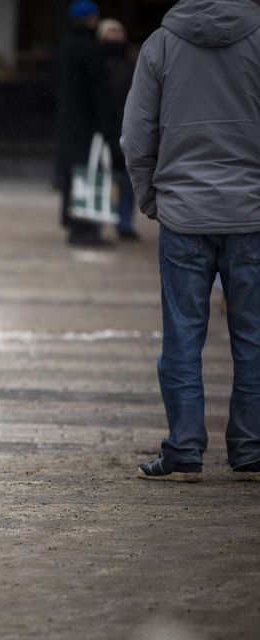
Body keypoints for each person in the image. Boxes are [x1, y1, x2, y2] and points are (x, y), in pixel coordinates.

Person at [122, 0, 260, 481]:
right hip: (251, 216)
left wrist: (151, 199)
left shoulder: (161, 45)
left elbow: (136, 136)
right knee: (254, 337)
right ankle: (249, 445)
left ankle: (183, 447)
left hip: (183, 215)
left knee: (182, 337)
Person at [54, 0, 120, 247]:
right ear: (92, 19)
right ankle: (83, 229)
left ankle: (73, 223)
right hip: (89, 125)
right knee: (90, 174)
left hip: (69, 121)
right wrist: (108, 128)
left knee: (75, 174)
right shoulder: (90, 50)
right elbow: (99, 93)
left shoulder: (66, 46)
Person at [97, 18, 139, 242]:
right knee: (102, 177)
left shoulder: (132, 66)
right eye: (110, 33)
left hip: (125, 128)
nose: (115, 38)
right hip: (102, 128)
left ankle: (124, 223)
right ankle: (97, 220)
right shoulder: (94, 64)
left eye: (118, 33)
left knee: (126, 179)